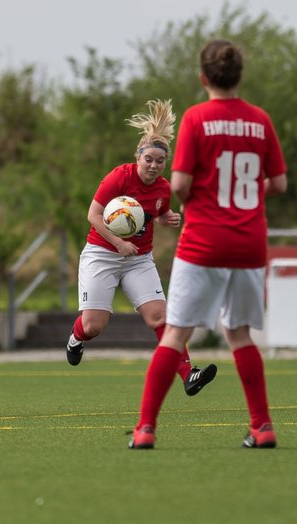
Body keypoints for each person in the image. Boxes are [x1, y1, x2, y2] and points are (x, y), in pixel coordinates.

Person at [129, 39, 287, 450]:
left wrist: (204, 196)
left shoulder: (198, 119)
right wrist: (247, 195)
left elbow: (179, 184)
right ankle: (262, 426)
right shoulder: (260, 120)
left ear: (203, 78)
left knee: (175, 334)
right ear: (240, 77)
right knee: (240, 334)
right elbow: (280, 183)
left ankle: (146, 429)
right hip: (249, 244)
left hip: (204, 242)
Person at [66, 99, 217, 397]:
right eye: (149, 159)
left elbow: (152, 214)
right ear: (138, 157)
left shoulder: (162, 188)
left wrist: (166, 217)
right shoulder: (119, 177)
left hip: (138, 260)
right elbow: (93, 215)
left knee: (160, 317)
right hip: (102, 254)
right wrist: (119, 243)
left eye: (160, 161)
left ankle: (189, 375)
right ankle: (75, 339)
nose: (153, 165)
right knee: (94, 325)